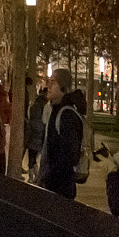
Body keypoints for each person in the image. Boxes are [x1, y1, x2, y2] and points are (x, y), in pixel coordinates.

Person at [36, 67, 84, 199]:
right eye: (48, 81)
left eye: (53, 82)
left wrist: (50, 177)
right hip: (53, 185)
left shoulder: (66, 115)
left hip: (60, 189)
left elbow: (69, 156)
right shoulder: (56, 110)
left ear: (63, 87)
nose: (48, 86)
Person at [26, 78, 48, 177]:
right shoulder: (45, 106)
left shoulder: (32, 121)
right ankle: (36, 176)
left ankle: (34, 176)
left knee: (32, 157)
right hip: (40, 136)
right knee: (34, 157)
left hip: (34, 138)